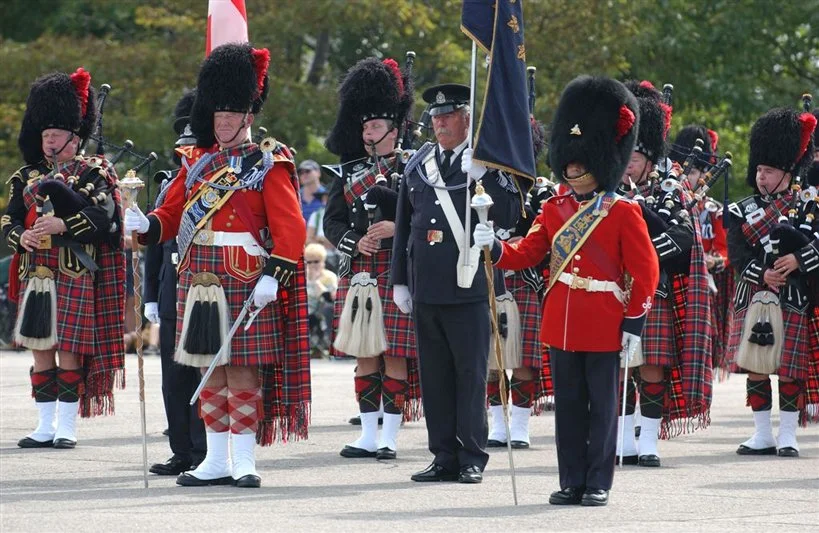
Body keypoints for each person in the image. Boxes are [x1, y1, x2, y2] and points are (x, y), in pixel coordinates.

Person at [124, 43, 311, 488]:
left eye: (231, 114)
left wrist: (274, 274)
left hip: (245, 275)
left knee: (242, 370)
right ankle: (215, 459)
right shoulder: (198, 165)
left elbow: (290, 228)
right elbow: (169, 218)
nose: (222, 122)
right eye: (217, 114)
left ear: (248, 116)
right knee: (210, 369)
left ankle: (244, 460)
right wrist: (143, 223)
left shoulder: (269, 161)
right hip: (198, 277)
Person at [474, 75, 659, 506]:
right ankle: (570, 479)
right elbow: (527, 252)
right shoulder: (554, 209)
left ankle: (598, 482)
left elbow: (645, 270)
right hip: (562, 321)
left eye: (580, 168)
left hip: (605, 321)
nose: (573, 174)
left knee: (602, 408)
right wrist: (496, 247)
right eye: (569, 168)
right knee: (569, 410)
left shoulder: (622, 212)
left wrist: (635, 319)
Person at [391, 83, 521, 484]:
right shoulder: (419, 163)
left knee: (469, 376)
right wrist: (400, 281)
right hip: (427, 285)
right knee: (435, 377)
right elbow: (403, 228)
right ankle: (443, 454)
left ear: (467, 118)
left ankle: (471, 456)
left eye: (448, 116)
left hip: (468, 286)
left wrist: (486, 176)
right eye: (435, 117)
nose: (440, 123)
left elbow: (514, 211)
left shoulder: (485, 160)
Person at [2, 68, 125, 449]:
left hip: (73, 272)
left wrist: (63, 225)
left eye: (56, 133)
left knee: (70, 350)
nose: (49, 139)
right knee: (41, 349)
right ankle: (44, 424)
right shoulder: (25, 176)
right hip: (35, 271)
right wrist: (21, 236)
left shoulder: (95, 171)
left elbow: (107, 220)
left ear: (75, 136)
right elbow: (7, 218)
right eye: (44, 133)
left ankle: (67, 426)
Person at [323, 57, 421, 460]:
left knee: (395, 353)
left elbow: (429, 219)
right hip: (360, 271)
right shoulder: (347, 173)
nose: (368, 133)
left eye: (376, 126)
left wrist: (399, 229)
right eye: (364, 127)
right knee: (366, 352)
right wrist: (354, 240)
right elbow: (331, 222)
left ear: (394, 129)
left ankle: (390, 437)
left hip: (397, 271)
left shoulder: (415, 168)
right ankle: (367, 433)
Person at [615, 80, 713, 468]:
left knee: (652, 366)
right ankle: (623, 440)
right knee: (620, 368)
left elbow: (684, 236)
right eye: (624, 158)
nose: (628, 167)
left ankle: (649, 442)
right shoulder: (609, 187)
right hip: (613, 290)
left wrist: (643, 254)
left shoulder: (668, 190)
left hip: (653, 291)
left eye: (634, 160)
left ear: (650, 160)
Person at [726, 107, 818, 457]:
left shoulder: (808, 206)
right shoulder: (741, 210)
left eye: (769, 170)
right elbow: (737, 255)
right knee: (757, 366)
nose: (761, 177)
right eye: (759, 170)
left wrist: (798, 259)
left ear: (787, 171)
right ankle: (762, 433)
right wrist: (762, 273)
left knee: (790, 369)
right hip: (756, 294)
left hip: (793, 294)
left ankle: (789, 435)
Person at [142, 88, 207, 476]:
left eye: (190, 145)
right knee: (173, 377)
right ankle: (181, 449)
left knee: (201, 371)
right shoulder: (170, 185)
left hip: (202, 286)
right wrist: (151, 294)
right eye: (180, 145)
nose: (184, 151)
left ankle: (205, 450)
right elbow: (155, 244)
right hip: (171, 286)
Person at [486, 118, 552, 449]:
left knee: (525, 358)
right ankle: (497, 424)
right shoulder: (478, 182)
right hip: (487, 275)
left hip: (523, 277)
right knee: (492, 358)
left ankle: (521, 425)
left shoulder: (541, 191)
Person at [670, 125, 734, 376]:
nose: (687, 178)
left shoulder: (714, 210)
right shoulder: (668, 203)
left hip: (703, 281)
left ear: (706, 174)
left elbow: (724, 250)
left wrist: (710, 261)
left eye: (694, 171)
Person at [304, 242, 337, 355]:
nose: (313, 264)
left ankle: (325, 345)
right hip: (305, 312)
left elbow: (332, 298)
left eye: (316, 261)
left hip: (322, 312)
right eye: (309, 261)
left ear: (323, 261)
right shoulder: (301, 277)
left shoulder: (330, 276)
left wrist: (316, 282)